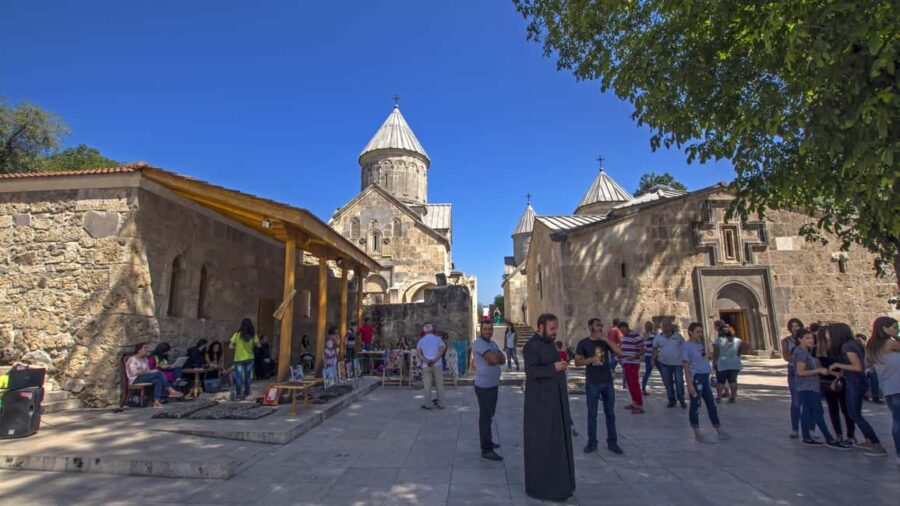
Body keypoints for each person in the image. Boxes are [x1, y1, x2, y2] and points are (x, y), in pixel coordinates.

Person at [523, 313, 575, 501]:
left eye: (556, 329)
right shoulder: (531, 346)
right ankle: (543, 488)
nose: (555, 333)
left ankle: (561, 485)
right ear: (541, 327)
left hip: (555, 403)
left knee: (557, 445)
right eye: (552, 329)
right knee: (543, 446)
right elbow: (531, 371)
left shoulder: (548, 344)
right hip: (540, 406)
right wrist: (554, 368)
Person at [827, 322, 887, 456]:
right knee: (853, 413)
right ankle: (868, 439)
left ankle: (876, 444)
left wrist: (837, 364)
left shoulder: (847, 346)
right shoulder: (854, 344)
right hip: (855, 381)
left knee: (855, 414)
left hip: (855, 382)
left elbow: (858, 366)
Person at [792, 328, 850, 449]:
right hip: (808, 386)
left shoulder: (804, 351)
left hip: (807, 385)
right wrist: (818, 370)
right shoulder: (801, 352)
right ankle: (829, 438)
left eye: (811, 338)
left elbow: (815, 366)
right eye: (807, 338)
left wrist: (832, 373)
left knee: (807, 411)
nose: (810, 340)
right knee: (818, 411)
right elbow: (800, 372)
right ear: (799, 339)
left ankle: (807, 436)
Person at [575, 318, 623, 455]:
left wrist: (607, 340)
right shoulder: (583, 343)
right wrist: (591, 360)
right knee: (592, 414)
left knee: (610, 414)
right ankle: (592, 442)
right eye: (597, 325)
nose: (600, 327)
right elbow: (577, 361)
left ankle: (612, 443)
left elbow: (619, 352)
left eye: (601, 325)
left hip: (607, 381)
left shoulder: (605, 342)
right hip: (592, 382)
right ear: (590, 327)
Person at [682, 322, 729, 443]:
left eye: (701, 332)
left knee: (711, 404)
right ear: (690, 332)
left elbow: (703, 358)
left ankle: (718, 428)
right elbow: (686, 366)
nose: (700, 334)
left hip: (705, 377)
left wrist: (712, 357)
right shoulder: (686, 347)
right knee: (696, 405)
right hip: (696, 378)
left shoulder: (699, 345)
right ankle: (697, 433)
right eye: (697, 332)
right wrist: (689, 384)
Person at [866, 316, 900, 467]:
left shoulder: (871, 346)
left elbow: (869, 364)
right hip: (898, 386)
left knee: (897, 420)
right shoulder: (890, 343)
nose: (896, 329)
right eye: (893, 327)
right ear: (884, 328)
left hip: (887, 388)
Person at [815, 325, 856, 445]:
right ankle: (843, 434)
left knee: (843, 409)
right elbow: (819, 365)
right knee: (836, 408)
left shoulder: (839, 348)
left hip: (839, 380)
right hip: (830, 381)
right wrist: (834, 373)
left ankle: (847, 435)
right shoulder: (820, 350)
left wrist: (838, 374)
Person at [471, 320, 505, 461]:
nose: (488, 331)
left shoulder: (492, 343)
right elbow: (492, 359)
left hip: (493, 385)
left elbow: (502, 359)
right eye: (485, 329)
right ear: (481, 330)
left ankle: (489, 441)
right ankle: (486, 449)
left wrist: (496, 357)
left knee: (489, 416)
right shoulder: (479, 343)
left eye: (490, 329)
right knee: (485, 418)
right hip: (484, 387)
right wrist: (496, 356)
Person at [126, 343, 183, 408]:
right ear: (139, 350)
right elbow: (134, 373)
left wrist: (150, 371)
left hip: (144, 376)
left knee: (158, 380)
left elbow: (147, 370)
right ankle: (170, 390)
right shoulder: (132, 359)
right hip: (135, 379)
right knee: (159, 373)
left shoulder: (145, 359)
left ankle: (156, 402)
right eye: (145, 348)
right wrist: (148, 371)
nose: (147, 350)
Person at [653, 318, 687, 408]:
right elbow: (655, 348)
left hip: (677, 364)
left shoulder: (678, 336)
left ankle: (681, 399)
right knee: (668, 383)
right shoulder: (658, 337)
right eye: (663, 325)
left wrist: (686, 360)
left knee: (679, 382)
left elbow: (685, 348)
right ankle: (671, 400)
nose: (665, 327)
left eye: (667, 325)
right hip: (664, 363)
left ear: (671, 326)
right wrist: (652, 359)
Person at [782, 318, 804, 439]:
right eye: (792, 326)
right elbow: (786, 356)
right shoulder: (786, 341)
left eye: (797, 326)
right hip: (793, 371)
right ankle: (795, 429)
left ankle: (810, 428)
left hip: (808, 371)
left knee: (809, 402)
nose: (795, 328)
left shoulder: (807, 339)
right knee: (796, 401)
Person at [229, 319, 259, 400]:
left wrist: (237, 347)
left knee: (239, 377)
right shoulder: (253, 335)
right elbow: (258, 345)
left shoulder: (237, 334)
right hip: (249, 358)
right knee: (247, 377)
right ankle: (246, 393)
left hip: (238, 359)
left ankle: (238, 395)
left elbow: (230, 346)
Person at [417, 323, 445, 409]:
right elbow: (442, 350)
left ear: (424, 331)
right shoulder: (438, 339)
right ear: (432, 330)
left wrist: (427, 361)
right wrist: (434, 360)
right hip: (437, 364)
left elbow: (419, 354)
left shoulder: (421, 341)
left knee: (427, 386)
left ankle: (427, 404)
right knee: (439, 385)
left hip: (426, 366)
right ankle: (441, 403)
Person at [618, 321, 645, 413]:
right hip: (626, 362)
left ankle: (639, 404)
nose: (623, 331)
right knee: (629, 383)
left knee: (634, 383)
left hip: (633, 363)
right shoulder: (624, 337)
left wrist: (634, 356)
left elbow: (643, 349)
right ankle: (634, 402)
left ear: (627, 327)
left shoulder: (635, 336)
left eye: (624, 329)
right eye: (621, 330)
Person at [712, 326, 743, 403]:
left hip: (722, 362)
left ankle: (719, 397)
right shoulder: (738, 340)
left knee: (720, 381)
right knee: (733, 380)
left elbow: (716, 353)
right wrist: (737, 355)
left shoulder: (718, 340)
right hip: (734, 362)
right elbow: (742, 349)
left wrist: (714, 362)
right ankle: (732, 397)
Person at [607, 318, 625, 389]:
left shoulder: (610, 330)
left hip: (611, 350)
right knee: (624, 368)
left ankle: (608, 382)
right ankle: (625, 384)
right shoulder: (618, 330)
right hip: (617, 351)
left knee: (611, 368)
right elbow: (621, 341)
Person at [640, 321, 657, 395]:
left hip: (647, 355)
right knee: (664, 372)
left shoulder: (644, 336)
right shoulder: (653, 335)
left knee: (647, 372)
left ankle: (643, 388)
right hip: (654, 355)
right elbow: (655, 346)